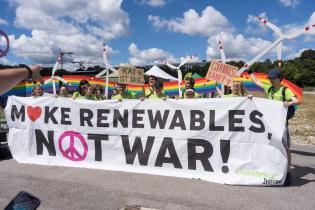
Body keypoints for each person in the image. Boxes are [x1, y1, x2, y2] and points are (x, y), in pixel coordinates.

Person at [249, 68, 298, 186]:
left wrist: (289, 103)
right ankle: (274, 168)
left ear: (279, 79)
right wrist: (249, 70)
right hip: (270, 124)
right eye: (270, 78)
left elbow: (296, 100)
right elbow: (256, 81)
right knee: (271, 146)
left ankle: (288, 172)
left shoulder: (285, 90)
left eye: (273, 78)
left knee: (285, 148)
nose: (271, 80)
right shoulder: (268, 88)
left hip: (281, 124)